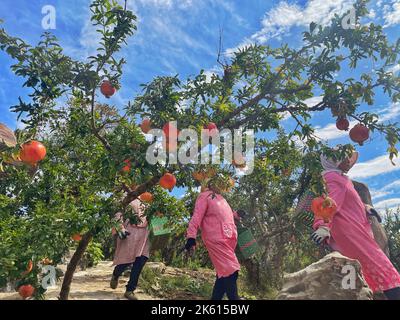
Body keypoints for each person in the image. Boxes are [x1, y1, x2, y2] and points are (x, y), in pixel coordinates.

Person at [312, 151, 400, 300]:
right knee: (386, 273)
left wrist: (365, 207)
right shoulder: (332, 178)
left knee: (356, 277)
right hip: (352, 235)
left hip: (357, 231)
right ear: (333, 162)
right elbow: (329, 203)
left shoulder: (340, 178)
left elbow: (345, 200)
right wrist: (323, 226)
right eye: (342, 158)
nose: (347, 161)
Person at [185, 178, 244, 300]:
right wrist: (191, 237)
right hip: (216, 239)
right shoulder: (205, 196)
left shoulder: (222, 199)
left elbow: (224, 215)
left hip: (228, 240)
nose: (223, 186)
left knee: (223, 275)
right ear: (211, 183)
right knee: (232, 272)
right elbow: (196, 217)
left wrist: (236, 215)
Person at [110, 199, 150, 300]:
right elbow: (118, 214)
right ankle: (116, 273)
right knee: (126, 260)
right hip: (130, 232)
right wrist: (120, 228)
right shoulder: (126, 196)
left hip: (144, 234)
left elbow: (155, 214)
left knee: (140, 261)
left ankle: (130, 290)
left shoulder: (149, 198)